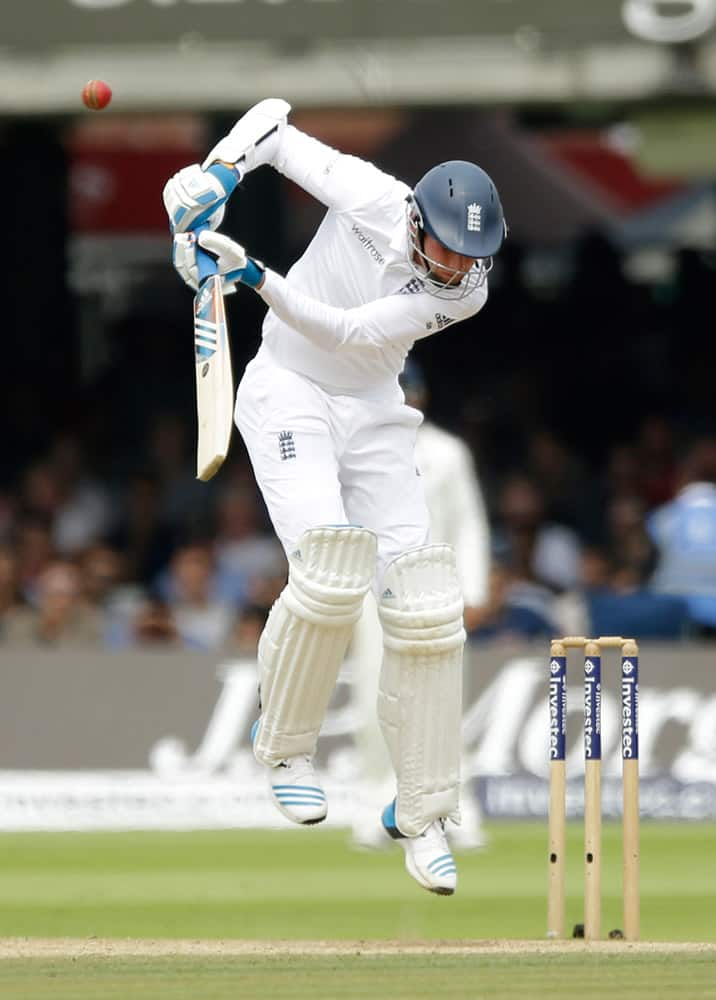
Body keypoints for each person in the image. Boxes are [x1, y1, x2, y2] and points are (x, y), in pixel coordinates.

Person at [163, 98, 506, 895]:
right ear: (417, 219)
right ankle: (284, 745)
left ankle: (419, 816)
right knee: (329, 569)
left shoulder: (464, 294)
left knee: (426, 605)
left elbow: (349, 335)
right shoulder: (374, 196)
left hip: (374, 408)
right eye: (449, 250)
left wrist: (248, 274)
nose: (458, 268)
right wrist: (215, 175)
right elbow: (274, 128)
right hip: (286, 392)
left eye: (472, 256)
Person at [350, 360, 491, 850]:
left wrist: (474, 590)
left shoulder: (449, 453)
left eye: (408, 390)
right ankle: (376, 803)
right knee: (376, 698)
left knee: (443, 698)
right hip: (375, 590)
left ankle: (453, 807)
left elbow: (469, 522)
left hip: (437, 586)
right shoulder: (356, 448)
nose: (403, 398)